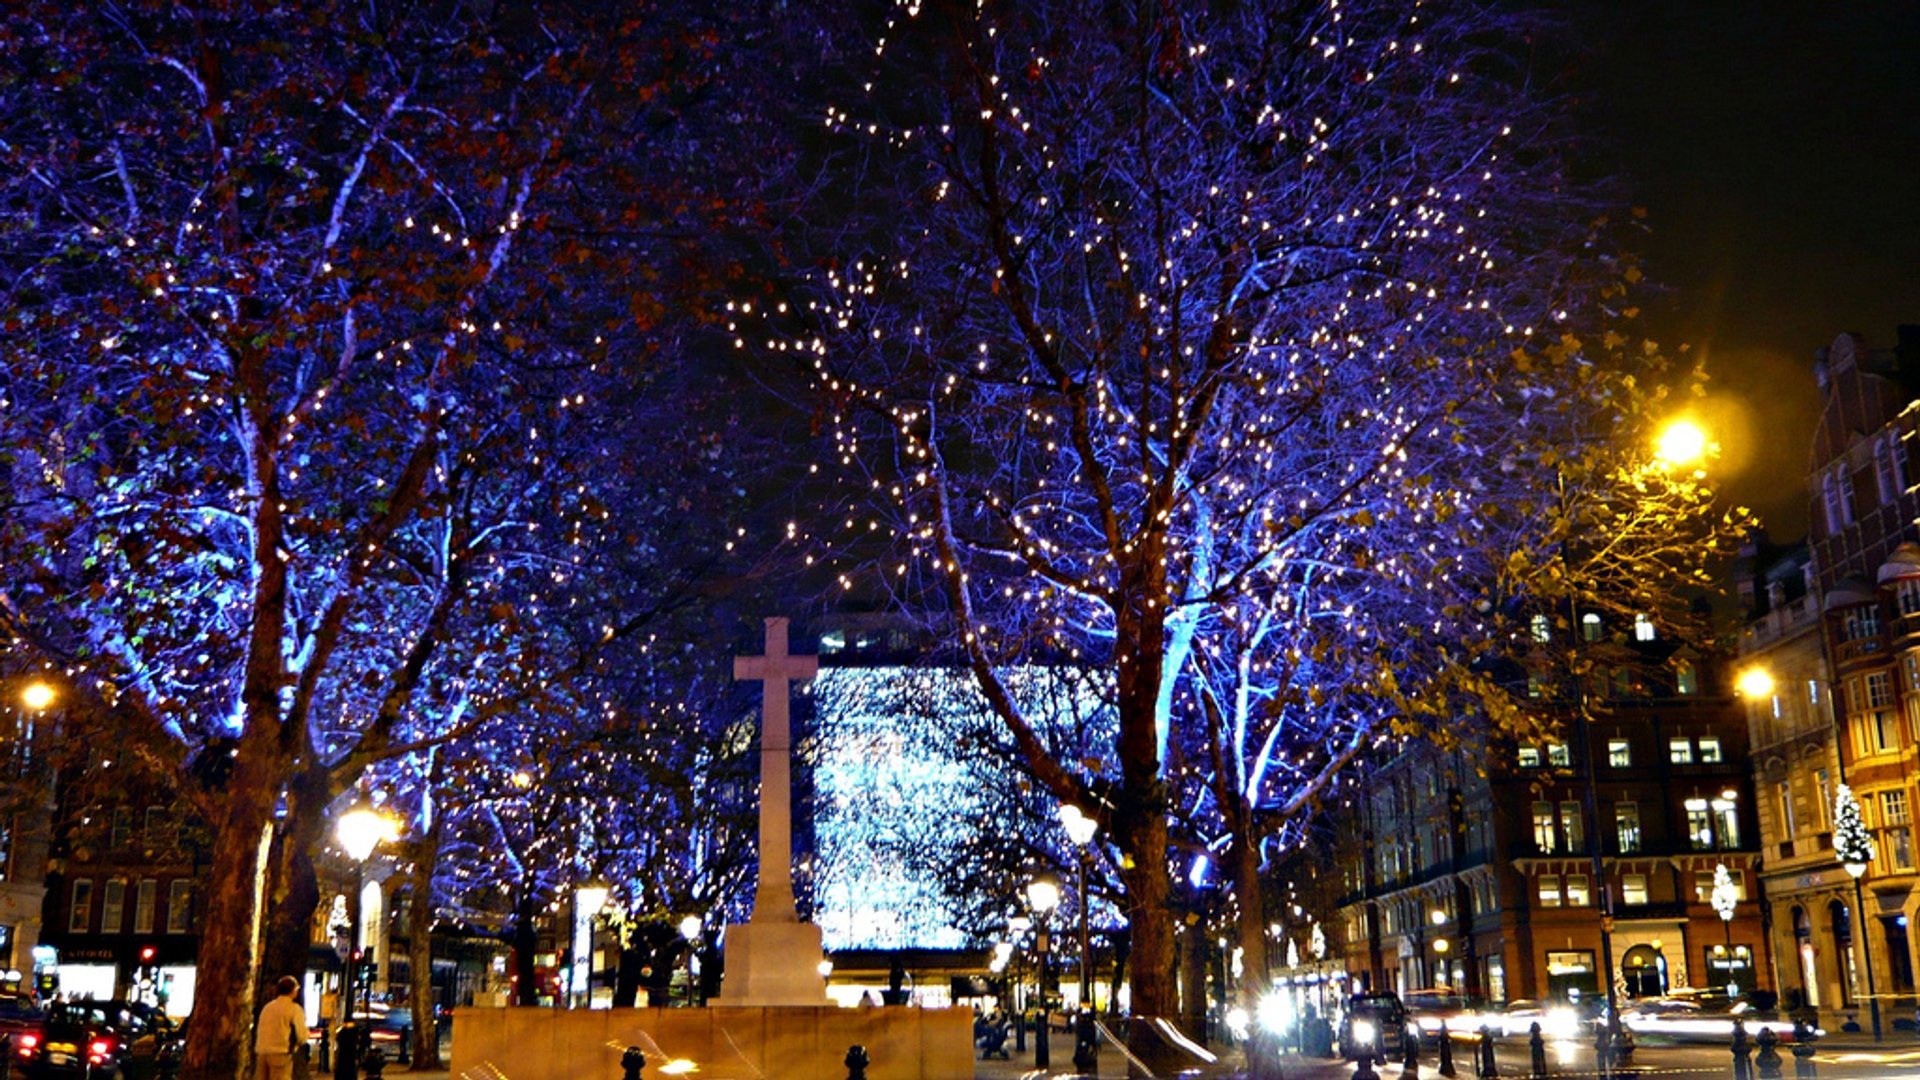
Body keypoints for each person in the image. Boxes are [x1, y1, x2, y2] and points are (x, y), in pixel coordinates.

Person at [254, 976, 311, 1080]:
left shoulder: (267, 1007)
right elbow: (301, 1035)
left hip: (262, 1052)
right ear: (293, 990)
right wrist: (304, 1037)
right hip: (281, 1053)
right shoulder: (294, 1009)